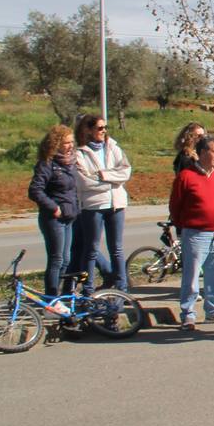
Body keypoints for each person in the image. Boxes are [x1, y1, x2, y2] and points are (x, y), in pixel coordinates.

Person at [169, 134, 214, 330]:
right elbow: (175, 206)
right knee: (191, 276)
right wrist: (185, 226)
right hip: (195, 234)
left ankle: (213, 311)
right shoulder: (186, 176)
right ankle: (188, 314)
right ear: (203, 152)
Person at [73, 113, 131, 292]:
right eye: (99, 128)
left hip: (116, 204)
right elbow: (84, 182)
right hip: (93, 206)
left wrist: (104, 175)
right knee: (91, 248)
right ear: (88, 130)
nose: (103, 131)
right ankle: (88, 288)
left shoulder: (113, 147)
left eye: (105, 128)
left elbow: (125, 172)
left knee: (117, 249)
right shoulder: (79, 153)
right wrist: (113, 181)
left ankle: (122, 287)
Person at [28, 124, 79, 297]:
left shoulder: (70, 162)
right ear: (55, 144)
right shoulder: (47, 164)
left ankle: (59, 296)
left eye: (72, 142)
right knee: (56, 259)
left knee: (66, 259)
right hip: (54, 218)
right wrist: (53, 207)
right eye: (66, 143)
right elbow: (35, 190)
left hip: (69, 216)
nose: (70, 146)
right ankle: (51, 298)